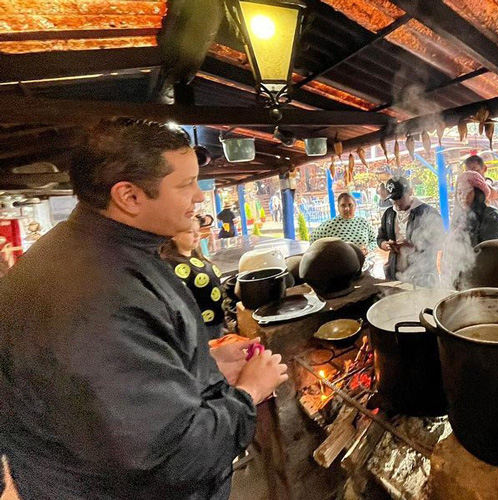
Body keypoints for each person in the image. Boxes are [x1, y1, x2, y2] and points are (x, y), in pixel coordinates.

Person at [0, 118, 288, 499]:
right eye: (186, 185)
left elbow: (114, 393)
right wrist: (249, 393)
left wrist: (198, 366)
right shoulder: (97, 296)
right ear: (129, 197)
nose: (199, 197)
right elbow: (172, 457)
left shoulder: (86, 251)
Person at [161, 215, 226, 337]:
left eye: (198, 230)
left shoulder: (198, 257)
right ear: (173, 235)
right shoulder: (169, 265)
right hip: (198, 331)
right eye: (190, 232)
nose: (197, 235)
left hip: (217, 323)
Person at [377, 177, 444, 285]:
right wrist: (385, 244)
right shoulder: (389, 214)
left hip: (423, 273)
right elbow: (381, 237)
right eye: (393, 199)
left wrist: (413, 246)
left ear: (410, 192)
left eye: (400, 197)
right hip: (396, 272)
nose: (397, 202)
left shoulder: (427, 212)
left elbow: (440, 242)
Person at [452, 170, 498, 246]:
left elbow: (491, 249)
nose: (463, 196)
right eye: (459, 192)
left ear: (479, 194)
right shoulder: (459, 219)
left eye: (468, 191)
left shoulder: (495, 218)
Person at [310, 192, 377, 253]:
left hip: (364, 260)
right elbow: (313, 238)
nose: (347, 208)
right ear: (338, 208)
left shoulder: (363, 222)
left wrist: (367, 249)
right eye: (343, 205)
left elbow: (374, 241)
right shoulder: (331, 225)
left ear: (355, 206)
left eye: (350, 205)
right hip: (340, 262)